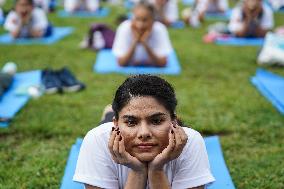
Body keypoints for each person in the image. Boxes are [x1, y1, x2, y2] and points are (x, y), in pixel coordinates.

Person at [73, 74, 215, 189]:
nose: (144, 133)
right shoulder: (97, 139)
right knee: (109, 117)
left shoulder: (191, 141)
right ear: (115, 124)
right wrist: (137, 171)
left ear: (173, 122)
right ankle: (109, 114)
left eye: (156, 121)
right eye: (131, 122)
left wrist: (157, 169)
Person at [112, 2, 173, 67]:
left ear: (153, 20)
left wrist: (145, 44)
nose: (140, 25)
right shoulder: (124, 28)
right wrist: (135, 42)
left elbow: (162, 63)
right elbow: (121, 63)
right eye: (137, 19)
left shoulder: (160, 29)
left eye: (145, 20)